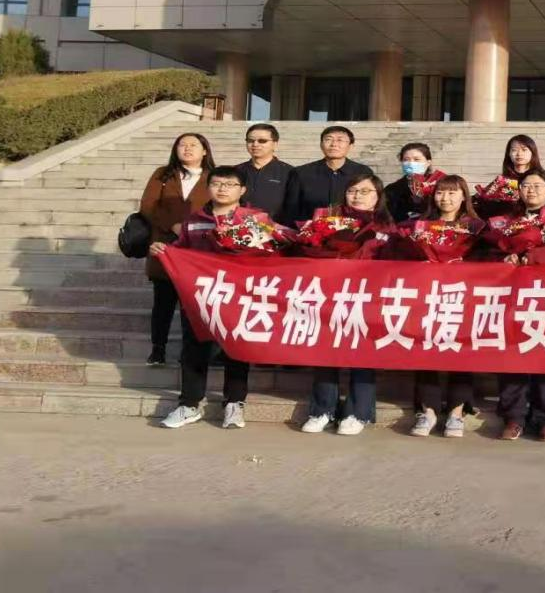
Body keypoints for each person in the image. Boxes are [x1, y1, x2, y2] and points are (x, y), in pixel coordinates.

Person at [152, 166, 281, 430]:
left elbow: (275, 248)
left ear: (242, 190)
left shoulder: (256, 219)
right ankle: (189, 404)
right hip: (200, 296)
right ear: (208, 187)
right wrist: (164, 250)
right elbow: (180, 251)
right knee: (194, 349)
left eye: (230, 184)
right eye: (217, 183)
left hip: (239, 296)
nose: (222, 189)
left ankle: (234, 403)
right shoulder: (194, 220)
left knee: (237, 348)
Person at [484, 169, 545, 443]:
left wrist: (538, 255)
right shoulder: (503, 223)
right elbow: (485, 252)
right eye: (526, 185)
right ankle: (513, 416)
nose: (531, 190)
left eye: (538, 186)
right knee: (512, 353)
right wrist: (503, 258)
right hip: (511, 296)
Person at [388, 175, 485, 438]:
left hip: (463, 298)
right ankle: (427, 410)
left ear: (464, 196)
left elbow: (487, 259)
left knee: (461, 353)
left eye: (453, 193)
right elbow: (400, 255)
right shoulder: (419, 227)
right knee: (425, 351)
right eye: (441, 192)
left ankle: (456, 412)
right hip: (427, 297)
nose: (446, 198)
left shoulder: (477, 228)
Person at [298, 173, 393, 436]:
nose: (357, 196)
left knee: (362, 354)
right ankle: (322, 410)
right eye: (352, 191)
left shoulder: (387, 227)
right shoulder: (327, 222)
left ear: (377, 197)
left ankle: (357, 412)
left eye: (365, 191)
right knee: (325, 351)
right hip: (331, 296)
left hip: (368, 299)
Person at [138, 132, 215, 366]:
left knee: (192, 305)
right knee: (163, 302)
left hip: (198, 249)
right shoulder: (163, 174)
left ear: (204, 150)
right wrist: (171, 225)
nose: (187, 148)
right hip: (165, 245)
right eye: (182, 144)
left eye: (193, 145)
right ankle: (158, 349)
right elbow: (148, 206)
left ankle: (189, 352)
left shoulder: (213, 177)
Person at [282, 126, 374, 225]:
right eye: (328, 139)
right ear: (321, 145)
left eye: (340, 140)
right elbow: (291, 209)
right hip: (309, 231)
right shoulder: (301, 173)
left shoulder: (362, 172)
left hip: (352, 231)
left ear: (351, 146)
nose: (334, 144)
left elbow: (370, 204)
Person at [474, 134, 542, 219]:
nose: (519, 154)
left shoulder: (541, 178)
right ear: (508, 154)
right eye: (514, 150)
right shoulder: (501, 181)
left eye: (524, 150)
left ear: (533, 153)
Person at [234, 123, 293, 218]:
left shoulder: (290, 172)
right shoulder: (234, 171)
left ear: (275, 144)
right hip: (239, 225)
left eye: (262, 141)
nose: (255, 144)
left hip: (276, 226)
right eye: (250, 140)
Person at [382, 142, 447, 222]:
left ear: (428, 163)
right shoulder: (392, 189)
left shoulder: (441, 183)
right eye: (406, 160)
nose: (411, 163)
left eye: (416, 159)